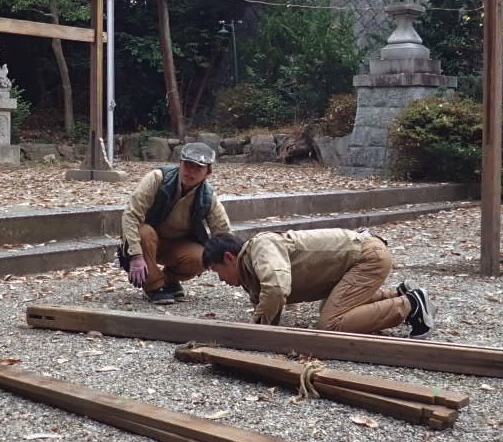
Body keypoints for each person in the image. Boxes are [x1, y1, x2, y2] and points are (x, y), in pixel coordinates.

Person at [201, 229, 433, 338]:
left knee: (330, 325)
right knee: (329, 311)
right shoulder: (250, 270)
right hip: (358, 260)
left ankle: (410, 304)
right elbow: (268, 300)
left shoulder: (261, 246)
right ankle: (395, 295)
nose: (221, 280)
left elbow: (276, 289)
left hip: (367, 258)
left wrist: (256, 333)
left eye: (217, 272)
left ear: (229, 258)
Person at [120, 142, 232, 304]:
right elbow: (130, 215)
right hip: (147, 241)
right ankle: (152, 285)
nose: (191, 172)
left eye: (198, 168)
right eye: (187, 165)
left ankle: (168, 280)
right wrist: (135, 256)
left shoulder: (208, 196)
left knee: (203, 256)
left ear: (208, 172)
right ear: (180, 164)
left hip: (178, 245)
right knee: (144, 232)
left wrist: (234, 263)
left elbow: (223, 231)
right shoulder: (157, 178)